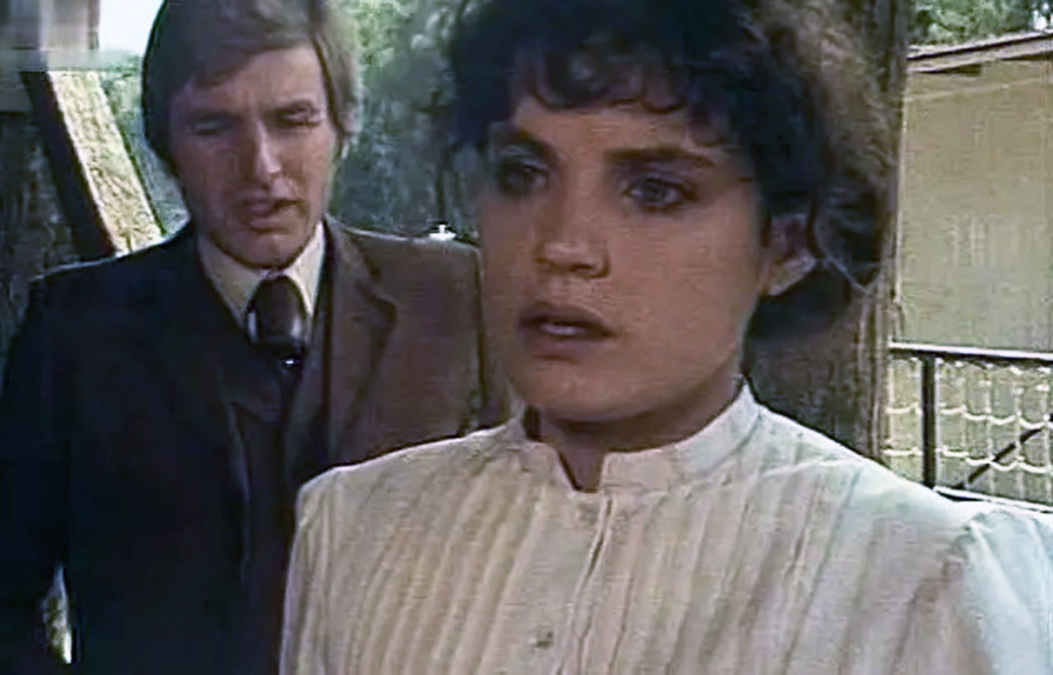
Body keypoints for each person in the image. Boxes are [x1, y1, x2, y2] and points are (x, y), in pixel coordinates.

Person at [280, 0, 1053, 672]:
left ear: (786, 244)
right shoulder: (355, 529)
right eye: (523, 173)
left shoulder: (921, 576)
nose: (564, 245)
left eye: (655, 190)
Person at [0, 0, 508, 673]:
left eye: (292, 120)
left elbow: (532, 556)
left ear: (342, 125)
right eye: (214, 126)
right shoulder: (77, 330)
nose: (261, 166)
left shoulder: (456, 298)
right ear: (166, 147)